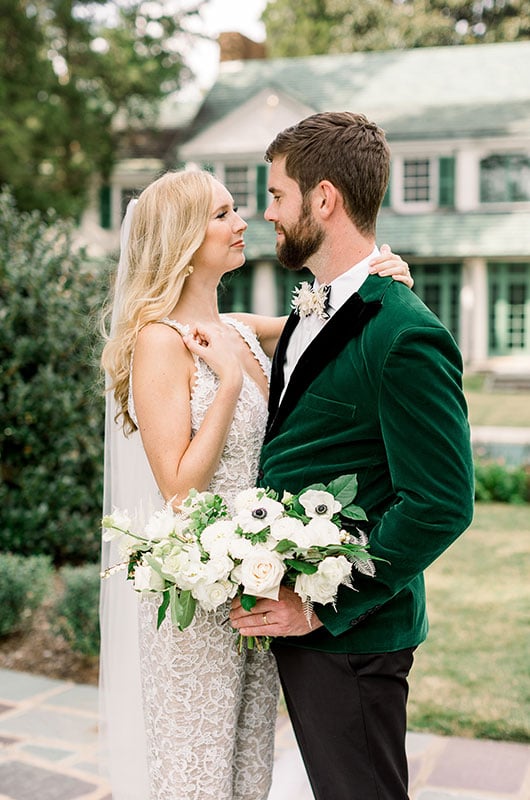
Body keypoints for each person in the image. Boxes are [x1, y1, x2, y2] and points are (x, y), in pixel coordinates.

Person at [99, 168, 413, 800]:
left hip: (254, 591)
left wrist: (386, 280)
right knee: (200, 781)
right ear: (183, 240)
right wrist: (231, 389)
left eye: (239, 209)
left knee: (247, 779)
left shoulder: (240, 330)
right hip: (195, 607)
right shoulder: (160, 343)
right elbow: (181, 491)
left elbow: (329, 318)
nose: (244, 222)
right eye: (222, 214)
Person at [230, 112, 475, 800]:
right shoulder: (318, 308)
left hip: (353, 635)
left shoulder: (404, 334)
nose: (268, 213)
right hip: (315, 637)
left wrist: (320, 607)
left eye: (277, 195)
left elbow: (442, 504)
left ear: (325, 198)